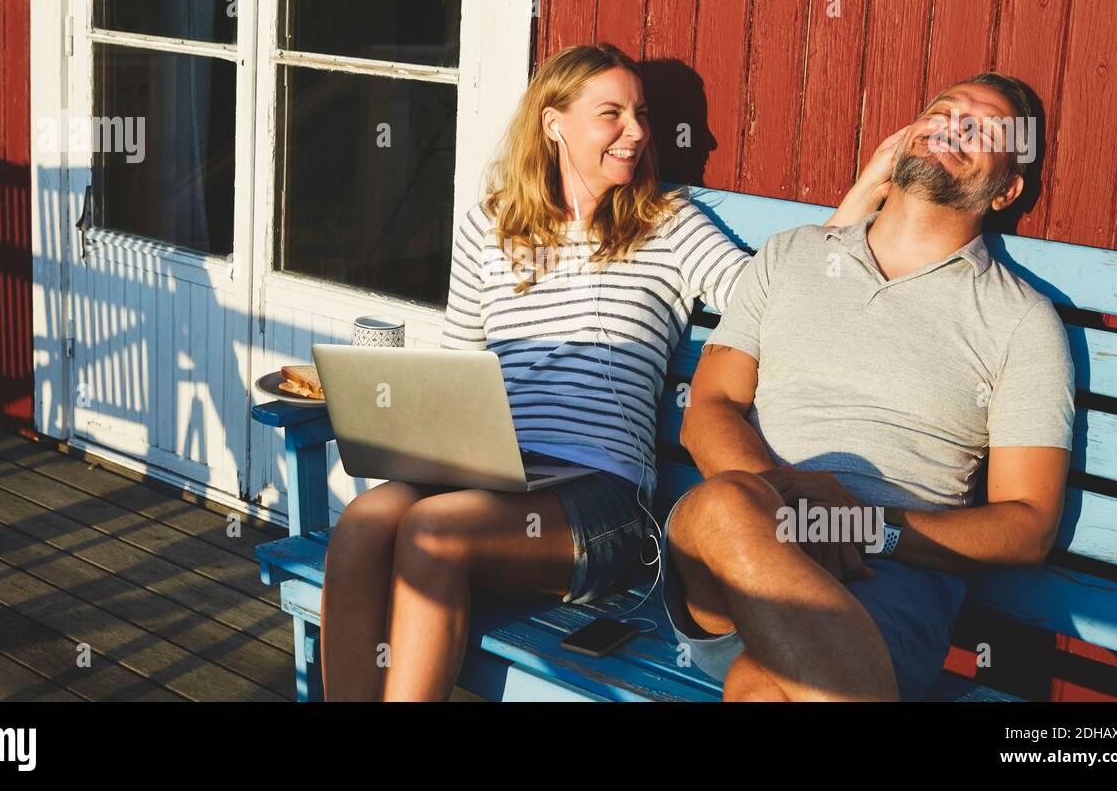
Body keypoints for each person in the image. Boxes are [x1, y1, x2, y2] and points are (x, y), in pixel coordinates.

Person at [320, 42, 891, 701]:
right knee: (363, 523)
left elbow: (768, 296)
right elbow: (458, 361)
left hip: (601, 501)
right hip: (493, 473)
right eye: (611, 114)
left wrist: (853, 205)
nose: (637, 132)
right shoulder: (490, 225)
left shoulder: (667, 225)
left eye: (641, 114)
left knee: (432, 533)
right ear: (553, 123)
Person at [666, 73, 1075, 701]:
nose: (951, 126)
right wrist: (794, 507)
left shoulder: (1020, 320)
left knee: (762, 687)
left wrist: (861, 525)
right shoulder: (790, 257)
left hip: (885, 576)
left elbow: (1029, 527)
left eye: (982, 129)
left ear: (1007, 190)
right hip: (733, 557)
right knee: (719, 507)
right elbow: (709, 408)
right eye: (940, 112)